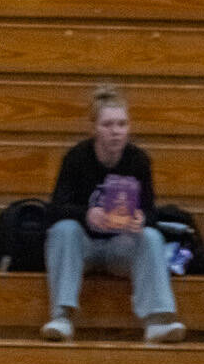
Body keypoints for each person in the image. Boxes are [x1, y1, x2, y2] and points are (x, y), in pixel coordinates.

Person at [41, 84, 184, 344]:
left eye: (121, 124)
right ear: (94, 127)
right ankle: (61, 316)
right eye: (108, 125)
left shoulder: (138, 160)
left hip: (120, 247)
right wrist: (87, 214)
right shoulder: (76, 158)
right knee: (63, 230)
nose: (115, 132)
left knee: (151, 236)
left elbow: (152, 211)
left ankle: (157, 320)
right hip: (82, 247)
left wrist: (142, 219)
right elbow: (55, 209)